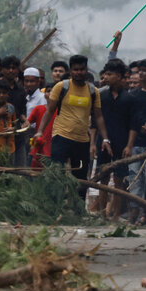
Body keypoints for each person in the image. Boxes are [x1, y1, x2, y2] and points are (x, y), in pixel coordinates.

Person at [34, 55, 112, 198]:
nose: (78, 72)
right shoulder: (61, 87)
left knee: (80, 177)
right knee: (57, 173)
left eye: (81, 69)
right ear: (70, 70)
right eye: (75, 69)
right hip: (61, 136)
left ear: (86, 69)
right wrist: (39, 131)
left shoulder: (93, 91)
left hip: (82, 140)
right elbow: (50, 110)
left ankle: (78, 211)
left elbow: (99, 116)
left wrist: (105, 139)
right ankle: (54, 206)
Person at [88, 58, 132, 218]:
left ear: (120, 76)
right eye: (105, 74)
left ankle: (116, 215)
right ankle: (102, 214)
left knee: (119, 180)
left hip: (122, 142)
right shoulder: (101, 96)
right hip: (103, 142)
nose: (106, 77)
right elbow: (94, 122)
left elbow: (132, 125)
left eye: (110, 74)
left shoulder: (128, 98)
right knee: (103, 178)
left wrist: (129, 145)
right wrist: (93, 143)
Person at [123, 58, 146, 224]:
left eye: (144, 71)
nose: (141, 74)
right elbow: (130, 121)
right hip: (136, 142)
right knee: (135, 179)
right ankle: (135, 215)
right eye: (139, 71)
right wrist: (129, 145)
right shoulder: (132, 95)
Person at [28, 85, 56, 169]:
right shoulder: (38, 109)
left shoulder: (62, 111)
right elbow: (27, 123)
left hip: (54, 148)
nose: (51, 93)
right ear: (44, 94)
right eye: (48, 91)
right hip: (39, 146)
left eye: (54, 91)